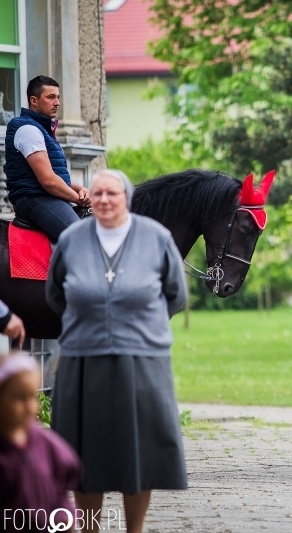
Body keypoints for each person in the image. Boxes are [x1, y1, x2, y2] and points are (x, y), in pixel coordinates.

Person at [46, 169, 188, 533]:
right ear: (89, 199)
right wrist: (88, 324)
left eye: (113, 194)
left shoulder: (156, 238)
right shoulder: (72, 239)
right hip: (81, 360)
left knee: (138, 456)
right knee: (83, 457)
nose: (105, 200)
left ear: (127, 198)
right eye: (98, 194)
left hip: (143, 362)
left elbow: (177, 294)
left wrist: (142, 329)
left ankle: (134, 530)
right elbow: (55, 294)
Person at [3, 75, 90, 242]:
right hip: (35, 199)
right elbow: (48, 180)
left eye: (58, 97)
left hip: (46, 195)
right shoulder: (27, 129)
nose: (57, 102)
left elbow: (52, 175)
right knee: (82, 239)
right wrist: (78, 198)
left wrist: (80, 188)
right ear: (34, 101)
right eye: (50, 97)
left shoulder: (42, 130)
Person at [0, 353, 80, 531]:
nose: (29, 406)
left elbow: (61, 487)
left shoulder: (44, 442)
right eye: (19, 398)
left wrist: (64, 516)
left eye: (33, 396)